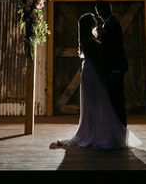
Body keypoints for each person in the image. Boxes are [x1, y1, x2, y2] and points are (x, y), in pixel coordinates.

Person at [51, 13, 140, 149]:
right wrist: (103, 76)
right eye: (93, 19)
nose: (96, 20)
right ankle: (100, 134)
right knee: (100, 101)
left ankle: (93, 131)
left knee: (93, 104)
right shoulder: (90, 42)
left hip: (88, 71)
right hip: (92, 72)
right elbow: (98, 62)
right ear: (89, 24)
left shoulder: (87, 40)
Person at [95, 0, 128, 126]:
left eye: (99, 12)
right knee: (113, 99)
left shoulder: (112, 24)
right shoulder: (108, 23)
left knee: (117, 100)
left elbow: (111, 48)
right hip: (112, 67)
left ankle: (120, 129)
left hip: (115, 67)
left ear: (105, 10)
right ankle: (115, 128)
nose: (98, 15)